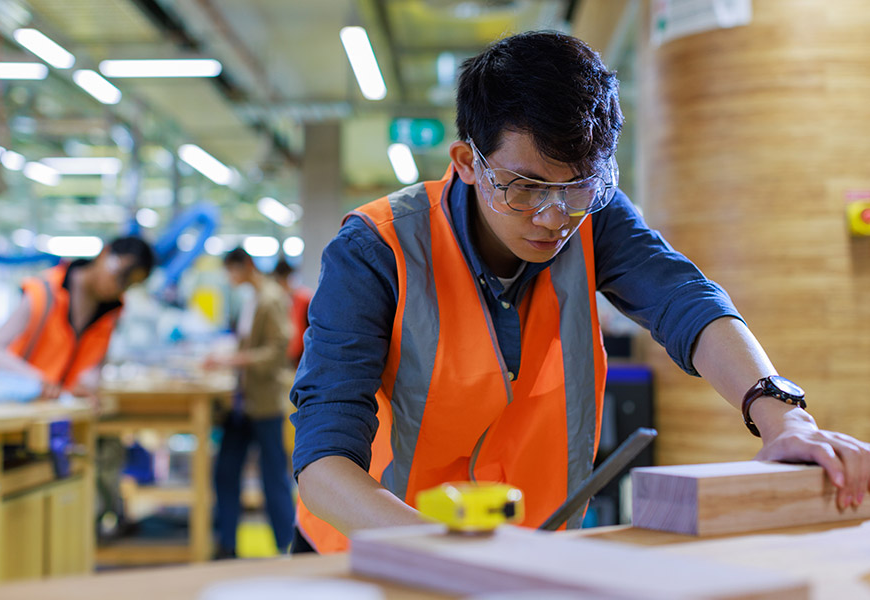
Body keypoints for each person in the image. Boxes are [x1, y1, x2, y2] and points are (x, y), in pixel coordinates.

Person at [290, 31, 870, 554]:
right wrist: (433, 547)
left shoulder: (595, 218)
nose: (553, 217)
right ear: (468, 162)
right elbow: (323, 462)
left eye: (579, 187)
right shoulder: (376, 248)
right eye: (525, 187)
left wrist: (783, 418)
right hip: (374, 551)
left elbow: (685, 298)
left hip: (534, 554)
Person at [0, 235, 155, 399]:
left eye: (129, 284)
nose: (118, 287)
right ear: (104, 254)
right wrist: (38, 381)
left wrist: (87, 386)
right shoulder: (44, 292)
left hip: (58, 416)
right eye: (119, 276)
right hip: (16, 408)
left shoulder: (112, 313)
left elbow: (94, 367)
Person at [205, 247, 295, 557]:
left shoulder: (270, 298)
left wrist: (235, 359)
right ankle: (226, 544)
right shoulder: (250, 299)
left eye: (232, 270)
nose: (230, 278)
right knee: (226, 471)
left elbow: (277, 351)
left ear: (246, 266)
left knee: (273, 477)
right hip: (241, 403)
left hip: (264, 402)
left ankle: (286, 544)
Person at [272, 257, 312, 367]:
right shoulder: (280, 299)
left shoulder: (304, 298)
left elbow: (305, 331)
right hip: (288, 357)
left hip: (301, 357)